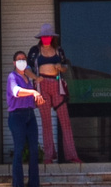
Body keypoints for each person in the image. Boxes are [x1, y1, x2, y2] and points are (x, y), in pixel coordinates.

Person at [26, 24, 79, 163]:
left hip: (57, 84)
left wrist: (60, 67)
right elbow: (26, 68)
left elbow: (66, 67)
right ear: (40, 38)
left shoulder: (58, 50)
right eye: (44, 37)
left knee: (65, 120)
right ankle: (49, 155)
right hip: (42, 85)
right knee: (46, 121)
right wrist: (36, 78)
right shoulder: (34, 51)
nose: (46, 39)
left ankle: (72, 155)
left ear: (52, 37)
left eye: (48, 36)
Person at [6, 50, 48, 187]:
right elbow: (16, 92)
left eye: (24, 59)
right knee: (18, 150)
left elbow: (30, 100)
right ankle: (18, 185)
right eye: (19, 59)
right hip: (17, 116)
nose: (22, 61)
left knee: (34, 150)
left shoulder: (28, 80)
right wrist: (34, 91)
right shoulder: (12, 77)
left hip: (30, 115)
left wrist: (38, 101)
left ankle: (34, 184)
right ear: (14, 62)